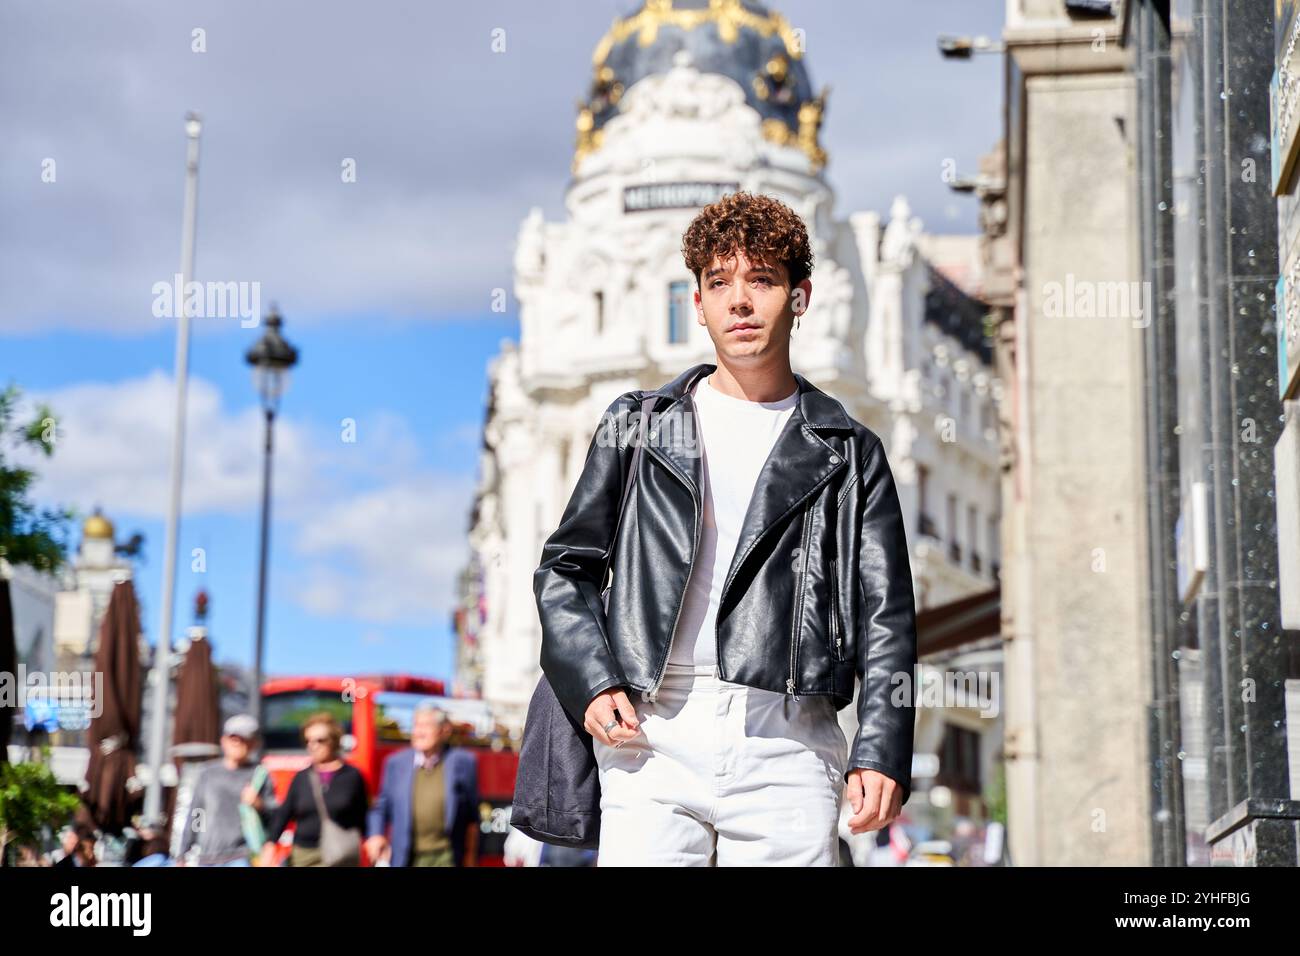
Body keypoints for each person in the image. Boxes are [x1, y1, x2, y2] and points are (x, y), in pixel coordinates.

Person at [534, 191, 917, 866]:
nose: (739, 301)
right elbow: (567, 567)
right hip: (650, 731)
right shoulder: (638, 426)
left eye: (761, 280)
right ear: (698, 302)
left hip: (789, 734)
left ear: (799, 297)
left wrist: (883, 745)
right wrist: (592, 679)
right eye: (719, 283)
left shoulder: (850, 451)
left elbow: (886, 613)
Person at [364, 704, 480, 867]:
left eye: (426, 726)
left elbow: (472, 817)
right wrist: (376, 834)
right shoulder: (396, 763)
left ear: (444, 730)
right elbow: (381, 808)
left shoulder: (463, 762)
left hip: (446, 856)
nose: (419, 732)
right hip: (406, 857)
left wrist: (470, 858)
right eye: (416, 725)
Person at [263, 712, 368, 866]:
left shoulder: (352, 776)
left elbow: (364, 816)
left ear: (334, 741)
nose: (313, 746)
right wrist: (271, 844)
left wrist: (371, 841)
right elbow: (284, 813)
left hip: (340, 854)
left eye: (320, 740)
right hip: (304, 855)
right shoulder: (301, 777)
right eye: (308, 741)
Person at [178, 714, 277, 866]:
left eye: (244, 739)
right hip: (207, 857)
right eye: (233, 738)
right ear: (223, 740)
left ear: (254, 744)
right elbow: (197, 813)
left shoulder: (260, 775)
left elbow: (275, 818)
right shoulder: (208, 773)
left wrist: (259, 804)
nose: (238, 743)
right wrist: (185, 851)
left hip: (241, 856)